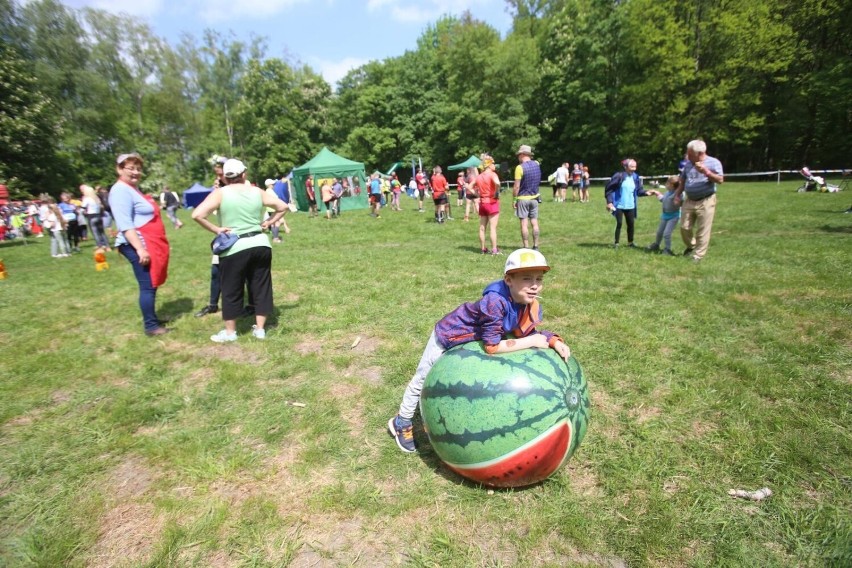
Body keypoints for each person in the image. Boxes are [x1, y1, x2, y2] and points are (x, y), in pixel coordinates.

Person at [387, 248, 572, 452]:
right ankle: (402, 421)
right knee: (422, 379)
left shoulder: (528, 302)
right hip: (449, 335)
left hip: (472, 340)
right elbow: (492, 346)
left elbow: (529, 332)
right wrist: (532, 342)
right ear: (508, 280)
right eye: (527, 279)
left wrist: (553, 340)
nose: (535, 286)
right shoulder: (494, 302)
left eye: (539, 279)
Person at [192, 158, 288, 342]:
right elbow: (282, 207)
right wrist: (268, 222)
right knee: (261, 286)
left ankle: (230, 333)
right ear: (244, 174)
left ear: (226, 178)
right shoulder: (257, 191)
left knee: (231, 288)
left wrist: (217, 229)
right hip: (260, 244)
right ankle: (260, 330)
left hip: (234, 247)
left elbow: (197, 214)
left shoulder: (220, 193)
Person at [109, 152, 171, 336]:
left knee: (151, 284)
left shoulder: (131, 189)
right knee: (147, 284)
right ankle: (151, 326)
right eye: (131, 168)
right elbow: (125, 223)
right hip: (136, 244)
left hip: (145, 243)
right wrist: (140, 249)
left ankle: (152, 317)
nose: (136, 172)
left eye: (138, 168)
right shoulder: (120, 190)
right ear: (119, 169)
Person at [674, 140, 724, 262]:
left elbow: (720, 180)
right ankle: (691, 246)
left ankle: (698, 255)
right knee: (684, 227)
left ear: (700, 153)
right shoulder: (688, 164)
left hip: (706, 200)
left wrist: (706, 171)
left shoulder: (713, 162)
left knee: (703, 230)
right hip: (689, 200)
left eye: (690, 154)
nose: (688, 156)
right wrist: (677, 195)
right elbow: (683, 181)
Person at [604, 158, 653, 248]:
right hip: (619, 205)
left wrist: (646, 193)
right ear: (625, 167)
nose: (634, 169)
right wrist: (609, 202)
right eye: (631, 167)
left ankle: (630, 243)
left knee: (631, 224)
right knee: (619, 223)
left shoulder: (635, 177)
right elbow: (609, 189)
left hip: (631, 205)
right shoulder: (619, 176)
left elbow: (639, 191)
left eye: (635, 167)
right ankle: (616, 243)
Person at [513, 145, 542, 250]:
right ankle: (536, 245)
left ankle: (526, 246)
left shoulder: (519, 168)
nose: (518, 158)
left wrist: (514, 199)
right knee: (534, 222)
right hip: (535, 198)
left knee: (524, 224)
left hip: (523, 199)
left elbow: (516, 186)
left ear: (522, 155)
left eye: (518, 155)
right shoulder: (537, 164)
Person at [645, 175, 679, 255]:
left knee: (667, 233)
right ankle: (656, 244)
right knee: (659, 232)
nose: (666, 185)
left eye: (667, 183)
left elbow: (678, 201)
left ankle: (667, 249)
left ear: (672, 185)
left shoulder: (678, 194)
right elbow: (663, 199)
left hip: (674, 216)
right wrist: (657, 193)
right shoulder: (667, 192)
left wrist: (677, 200)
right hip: (665, 215)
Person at [477, 155, 502, 255]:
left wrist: (477, 194)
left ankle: (483, 249)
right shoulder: (492, 174)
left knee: (482, 227)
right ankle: (494, 250)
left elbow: (470, 186)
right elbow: (498, 183)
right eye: (493, 163)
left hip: (482, 203)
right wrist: (496, 192)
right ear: (489, 164)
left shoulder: (479, 176)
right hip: (491, 202)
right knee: (492, 228)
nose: (494, 165)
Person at [81, 184, 109, 249]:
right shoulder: (96, 198)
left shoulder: (87, 199)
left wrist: (84, 212)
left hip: (91, 216)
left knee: (95, 232)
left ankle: (100, 246)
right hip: (99, 215)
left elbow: (82, 208)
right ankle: (107, 246)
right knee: (102, 232)